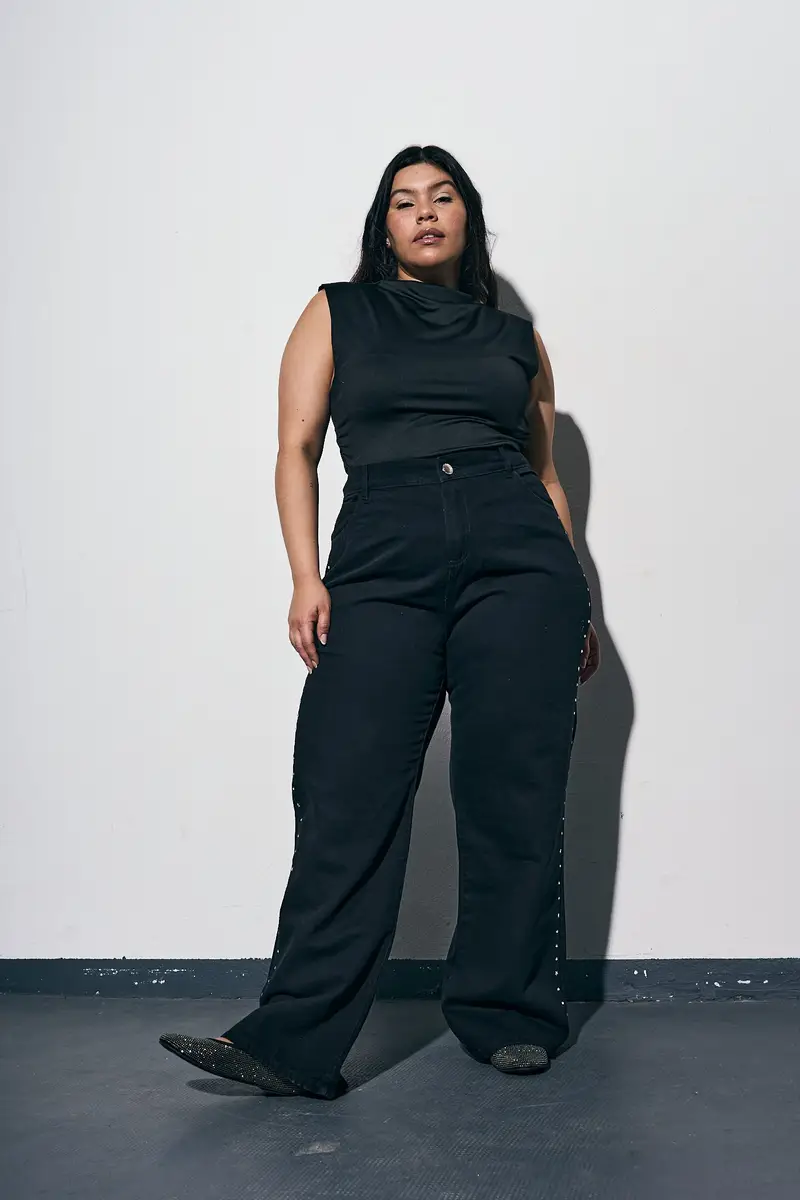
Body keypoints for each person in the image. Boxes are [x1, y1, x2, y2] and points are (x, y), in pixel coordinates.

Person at [159, 144, 600, 1101]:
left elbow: (546, 476)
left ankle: (511, 1015)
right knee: (345, 783)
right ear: (384, 225)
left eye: (443, 197)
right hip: (384, 549)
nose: (425, 212)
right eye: (405, 201)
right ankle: (293, 1039)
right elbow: (296, 448)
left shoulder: (516, 339)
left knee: (513, 790)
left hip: (520, 561)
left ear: (467, 217)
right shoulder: (338, 311)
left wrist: (579, 599)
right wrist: (304, 577)